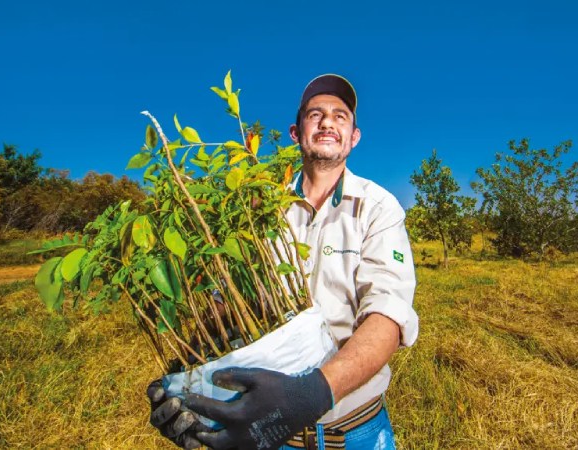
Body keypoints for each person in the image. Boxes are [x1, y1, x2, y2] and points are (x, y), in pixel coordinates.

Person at [148, 74, 419, 450]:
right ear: (296, 132)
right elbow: (228, 303)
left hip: (355, 431)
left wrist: (314, 392)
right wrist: (187, 377)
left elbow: (387, 316)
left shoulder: (378, 207)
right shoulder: (258, 210)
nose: (327, 122)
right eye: (315, 114)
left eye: (340, 116)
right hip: (263, 431)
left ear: (354, 137)